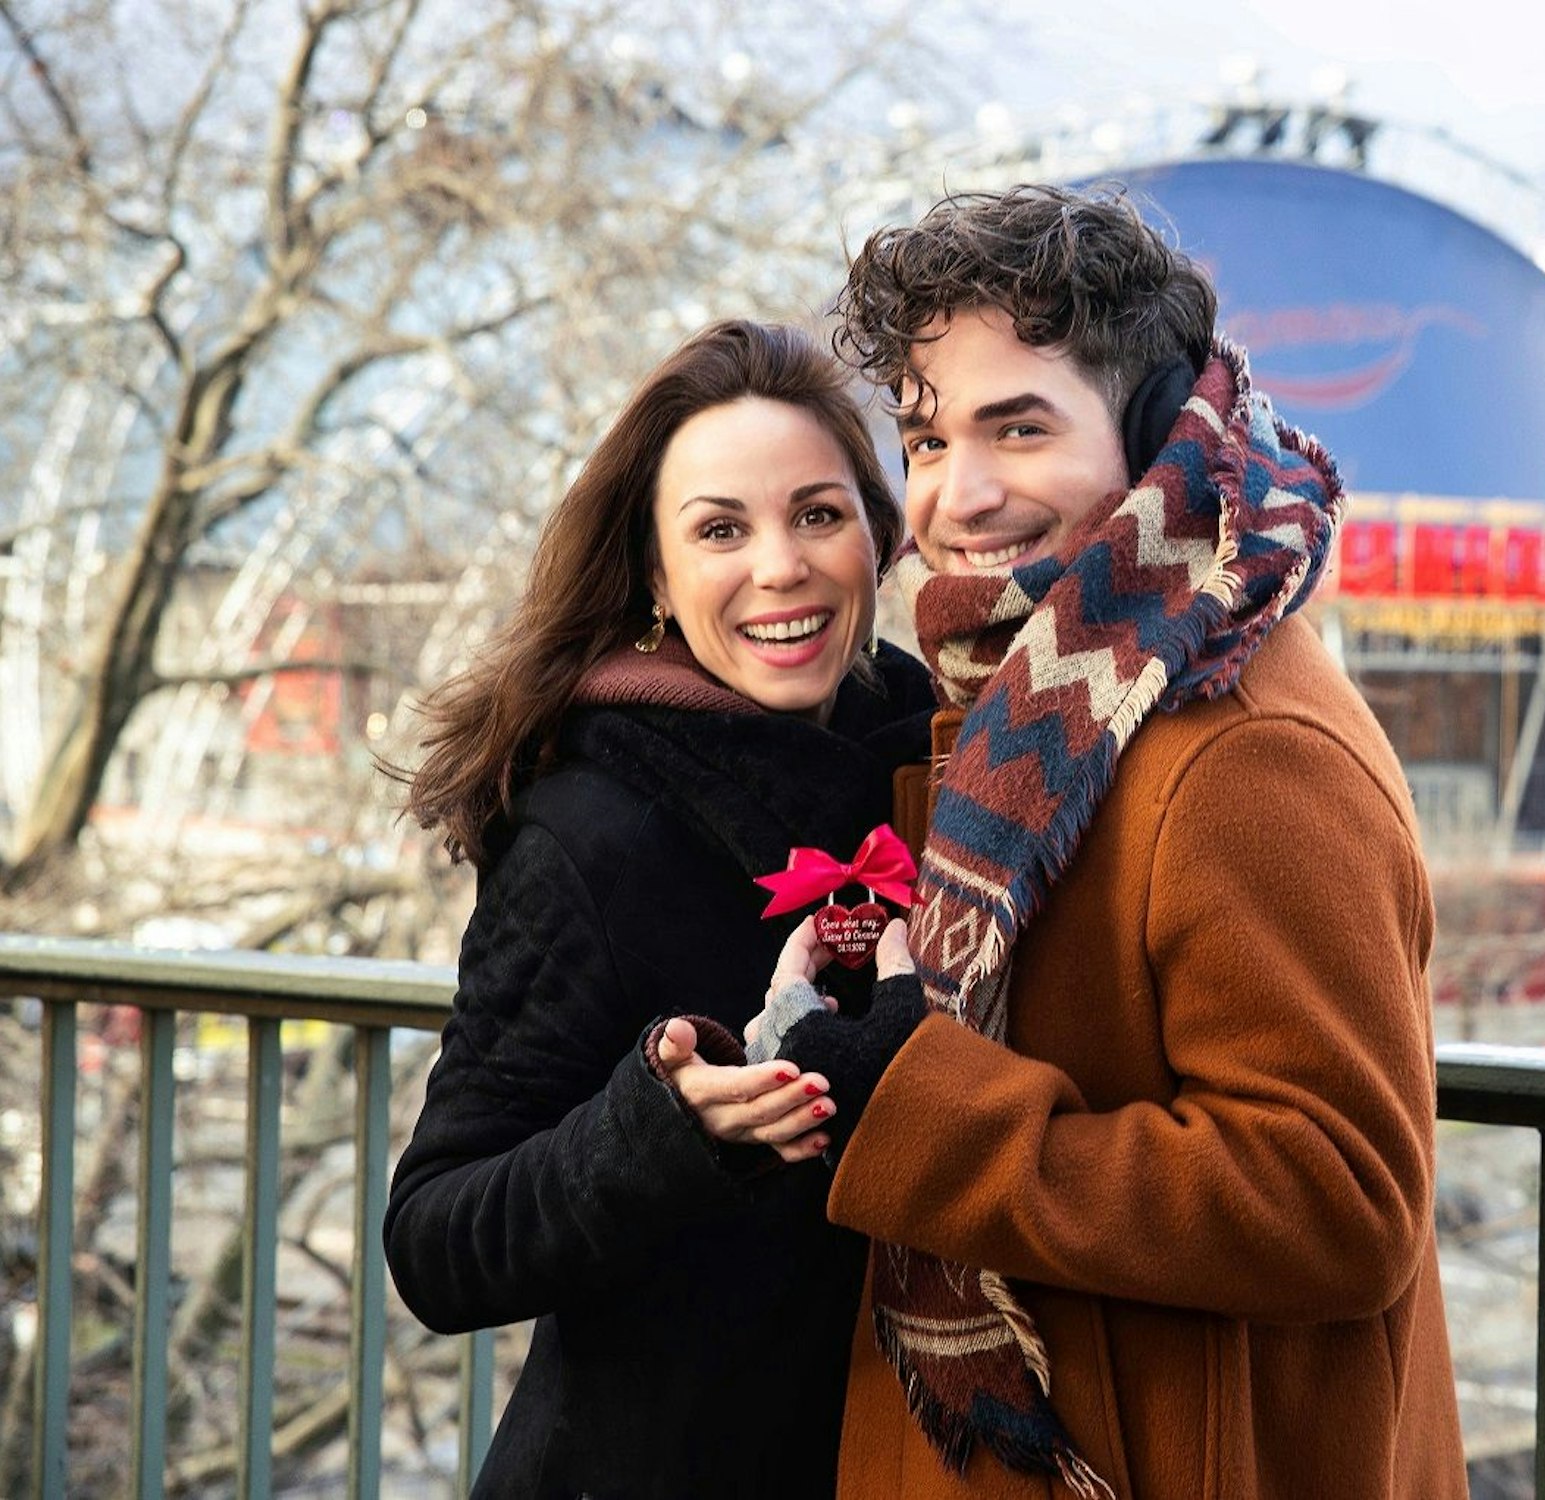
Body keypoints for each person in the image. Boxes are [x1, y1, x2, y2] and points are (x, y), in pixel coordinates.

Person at [759, 186, 1469, 1498]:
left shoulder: (1242, 749)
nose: (958, 495)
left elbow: (1338, 1199)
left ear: (1153, 436)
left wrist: (918, 1104)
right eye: (925, 441)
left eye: (1018, 429)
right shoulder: (1048, 697)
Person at [381, 320, 936, 1499]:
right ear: (653, 576)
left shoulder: (950, 770)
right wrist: (662, 1131)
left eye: (817, 514)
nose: (779, 567)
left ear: (877, 538)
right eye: (719, 530)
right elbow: (435, 1240)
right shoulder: (591, 832)